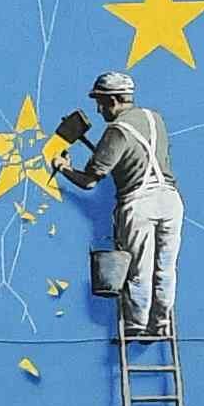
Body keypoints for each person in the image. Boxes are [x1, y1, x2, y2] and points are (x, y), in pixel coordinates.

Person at [61, 71, 182, 340]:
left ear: (114, 100)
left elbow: (90, 181)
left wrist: (65, 169)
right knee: (165, 267)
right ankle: (161, 322)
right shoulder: (155, 118)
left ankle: (137, 324)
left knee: (139, 270)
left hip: (139, 202)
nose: (99, 109)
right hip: (171, 200)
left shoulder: (116, 131)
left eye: (101, 102)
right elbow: (139, 156)